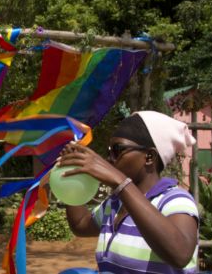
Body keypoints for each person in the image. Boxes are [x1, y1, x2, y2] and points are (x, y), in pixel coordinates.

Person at [57, 111, 199, 274]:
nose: (109, 158)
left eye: (117, 150)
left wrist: (119, 181)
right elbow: (81, 225)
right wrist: (71, 180)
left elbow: (180, 255)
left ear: (149, 157)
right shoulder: (116, 203)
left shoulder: (175, 199)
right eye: (109, 150)